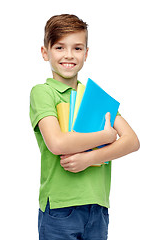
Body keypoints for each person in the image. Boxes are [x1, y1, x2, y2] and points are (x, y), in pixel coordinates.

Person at [30, 14, 140, 240]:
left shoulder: (94, 97)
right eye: (60, 47)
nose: (69, 55)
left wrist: (89, 158)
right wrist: (105, 135)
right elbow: (57, 143)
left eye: (77, 48)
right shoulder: (43, 92)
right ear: (45, 52)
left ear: (86, 54)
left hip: (97, 208)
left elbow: (132, 141)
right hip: (60, 208)